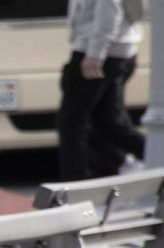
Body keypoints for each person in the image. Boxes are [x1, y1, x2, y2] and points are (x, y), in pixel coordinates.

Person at [55, 0, 147, 180]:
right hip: (121, 53)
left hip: (96, 55)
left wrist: (95, 55)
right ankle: (159, 159)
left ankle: (75, 185)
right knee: (109, 123)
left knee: (71, 124)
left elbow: (108, 16)